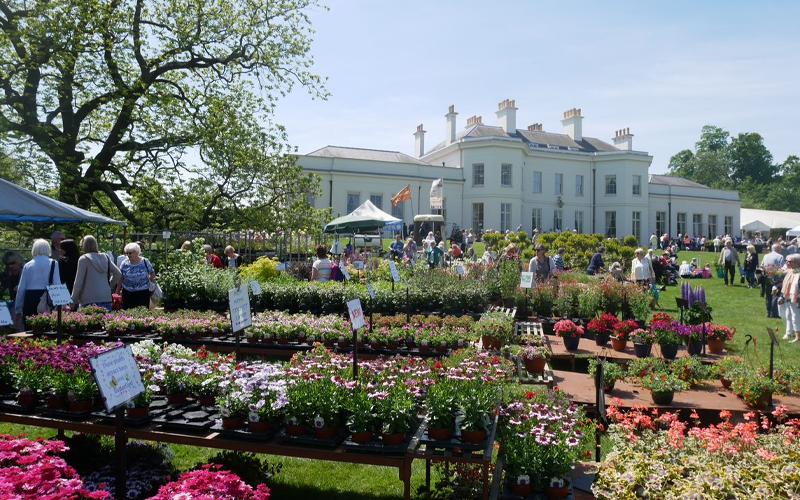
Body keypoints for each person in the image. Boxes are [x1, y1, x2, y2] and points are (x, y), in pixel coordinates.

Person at [15, 239, 61, 330]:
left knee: (30, 327)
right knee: (47, 327)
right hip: (46, 297)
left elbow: (21, 288)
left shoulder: (28, 265)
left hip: (30, 297)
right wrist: (61, 304)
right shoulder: (53, 263)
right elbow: (57, 284)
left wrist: (18, 308)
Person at [71, 235, 121, 311]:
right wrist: (109, 284)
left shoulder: (83, 259)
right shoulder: (106, 257)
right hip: (105, 297)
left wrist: (73, 300)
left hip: (89, 299)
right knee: (106, 321)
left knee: (90, 322)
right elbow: (118, 273)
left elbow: (78, 282)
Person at [117, 243, 156, 309]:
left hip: (143, 292)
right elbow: (121, 278)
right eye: (127, 253)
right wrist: (117, 291)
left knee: (142, 313)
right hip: (127, 293)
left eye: (130, 253)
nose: (128, 255)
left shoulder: (145, 261)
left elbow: (152, 274)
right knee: (127, 314)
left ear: (137, 252)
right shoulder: (124, 263)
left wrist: (151, 283)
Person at [778, 253, 800, 343]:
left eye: (790, 261)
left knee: (796, 317)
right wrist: (782, 296)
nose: (787, 263)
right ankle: (789, 333)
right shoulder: (791, 271)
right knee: (788, 315)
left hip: (797, 298)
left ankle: (798, 337)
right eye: (786, 261)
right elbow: (786, 285)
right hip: (788, 297)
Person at [762, 243, 786, 318]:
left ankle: (768, 311)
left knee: (768, 295)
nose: (781, 250)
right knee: (775, 294)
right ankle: (774, 313)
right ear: (777, 249)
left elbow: (762, 266)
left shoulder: (765, 256)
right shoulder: (780, 256)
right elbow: (782, 268)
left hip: (767, 277)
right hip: (777, 277)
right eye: (780, 249)